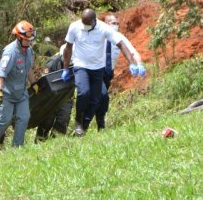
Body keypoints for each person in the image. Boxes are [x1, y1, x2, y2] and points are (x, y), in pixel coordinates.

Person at [61, 8, 143, 137]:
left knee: (96, 99)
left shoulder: (104, 28)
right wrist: (66, 68)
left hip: (98, 68)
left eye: (88, 25)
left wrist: (132, 63)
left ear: (95, 21)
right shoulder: (75, 27)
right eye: (84, 24)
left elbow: (121, 44)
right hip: (81, 65)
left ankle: (84, 127)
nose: (86, 27)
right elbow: (68, 48)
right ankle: (78, 122)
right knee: (83, 92)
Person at [0, 20, 36, 149]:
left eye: (30, 39)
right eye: (26, 39)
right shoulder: (10, 52)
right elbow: (1, 73)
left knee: (24, 117)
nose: (29, 41)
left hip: (21, 92)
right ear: (19, 38)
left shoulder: (29, 51)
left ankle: (17, 146)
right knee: (5, 120)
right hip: (6, 93)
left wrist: (34, 83)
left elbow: (28, 68)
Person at [95, 13, 144, 130]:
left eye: (117, 24)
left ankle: (99, 123)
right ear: (106, 24)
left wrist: (139, 65)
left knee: (100, 99)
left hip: (108, 73)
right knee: (103, 96)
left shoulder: (119, 37)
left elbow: (133, 52)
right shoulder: (98, 35)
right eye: (113, 23)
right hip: (95, 71)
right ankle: (95, 124)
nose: (116, 26)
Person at [35, 44, 74, 142]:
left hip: (66, 95)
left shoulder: (78, 62)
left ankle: (56, 142)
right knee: (47, 120)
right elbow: (45, 81)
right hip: (51, 96)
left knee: (63, 119)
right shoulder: (52, 63)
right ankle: (40, 140)